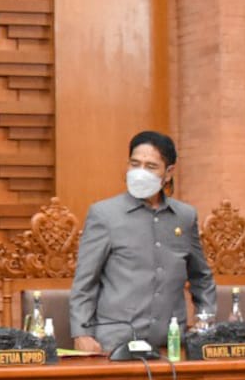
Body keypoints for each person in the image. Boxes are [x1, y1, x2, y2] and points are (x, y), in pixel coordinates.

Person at [69, 131, 216, 353]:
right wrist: (81, 333)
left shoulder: (185, 217)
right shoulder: (104, 214)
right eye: (135, 164)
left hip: (170, 344)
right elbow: (85, 282)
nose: (140, 173)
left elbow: (201, 277)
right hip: (115, 345)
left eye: (151, 166)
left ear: (169, 173)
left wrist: (204, 320)